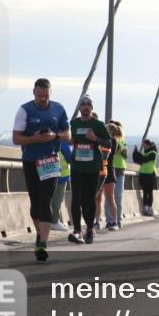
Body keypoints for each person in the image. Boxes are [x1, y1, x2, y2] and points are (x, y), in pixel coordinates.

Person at [12, 78, 70, 262]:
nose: (43, 99)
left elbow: (68, 135)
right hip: (31, 160)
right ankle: (40, 235)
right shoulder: (25, 110)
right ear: (33, 93)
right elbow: (16, 139)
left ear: (50, 93)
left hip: (51, 161)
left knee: (46, 200)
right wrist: (35, 138)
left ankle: (43, 243)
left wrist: (55, 136)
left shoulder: (58, 109)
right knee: (35, 203)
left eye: (46, 96)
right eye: (39, 96)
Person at [66, 96, 111, 244]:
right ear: (79, 108)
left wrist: (95, 138)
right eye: (83, 104)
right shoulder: (73, 123)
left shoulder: (97, 124)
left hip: (92, 168)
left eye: (88, 105)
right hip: (77, 167)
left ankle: (90, 229)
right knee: (76, 199)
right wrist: (70, 140)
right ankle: (77, 231)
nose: (85, 107)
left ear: (91, 108)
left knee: (88, 201)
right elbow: (68, 138)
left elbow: (109, 143)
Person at [100, 122, 122, 229]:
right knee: (99, 198)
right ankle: (99, 221)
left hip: (108, 171)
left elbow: (105, 154)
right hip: (102, 170)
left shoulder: (112, 141)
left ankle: (115, 221)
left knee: (110, 198)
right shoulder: (109, 140)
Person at [107, 120, 128, 228]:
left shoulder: (121, 141)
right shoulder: (108, 140)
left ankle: (118, 220)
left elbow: (125, 155)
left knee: (118, 196)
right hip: (110, 169)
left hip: (120, 170)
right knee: (109, 197)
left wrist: (122, 149)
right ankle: (109, 220)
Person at [51, 142, 72, 231]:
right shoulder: (63, 144)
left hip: (49, 174)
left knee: (51, 199)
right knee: (57, 200)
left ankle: (51, 221)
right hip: (61, 176)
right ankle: (55, 222)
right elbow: (70, 158)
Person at [133, 139, 157, 216]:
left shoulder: (153, 153)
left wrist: (138, 154)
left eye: (144, 145)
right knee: (145, 191)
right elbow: (140, 160)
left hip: (150, 174)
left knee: (149, 192)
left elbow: (144, 159)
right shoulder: (145, 153)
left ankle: (149, 207)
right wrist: (135, 154)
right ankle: (146, 207)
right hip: (143, 174)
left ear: (148, 145)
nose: (143, 147)